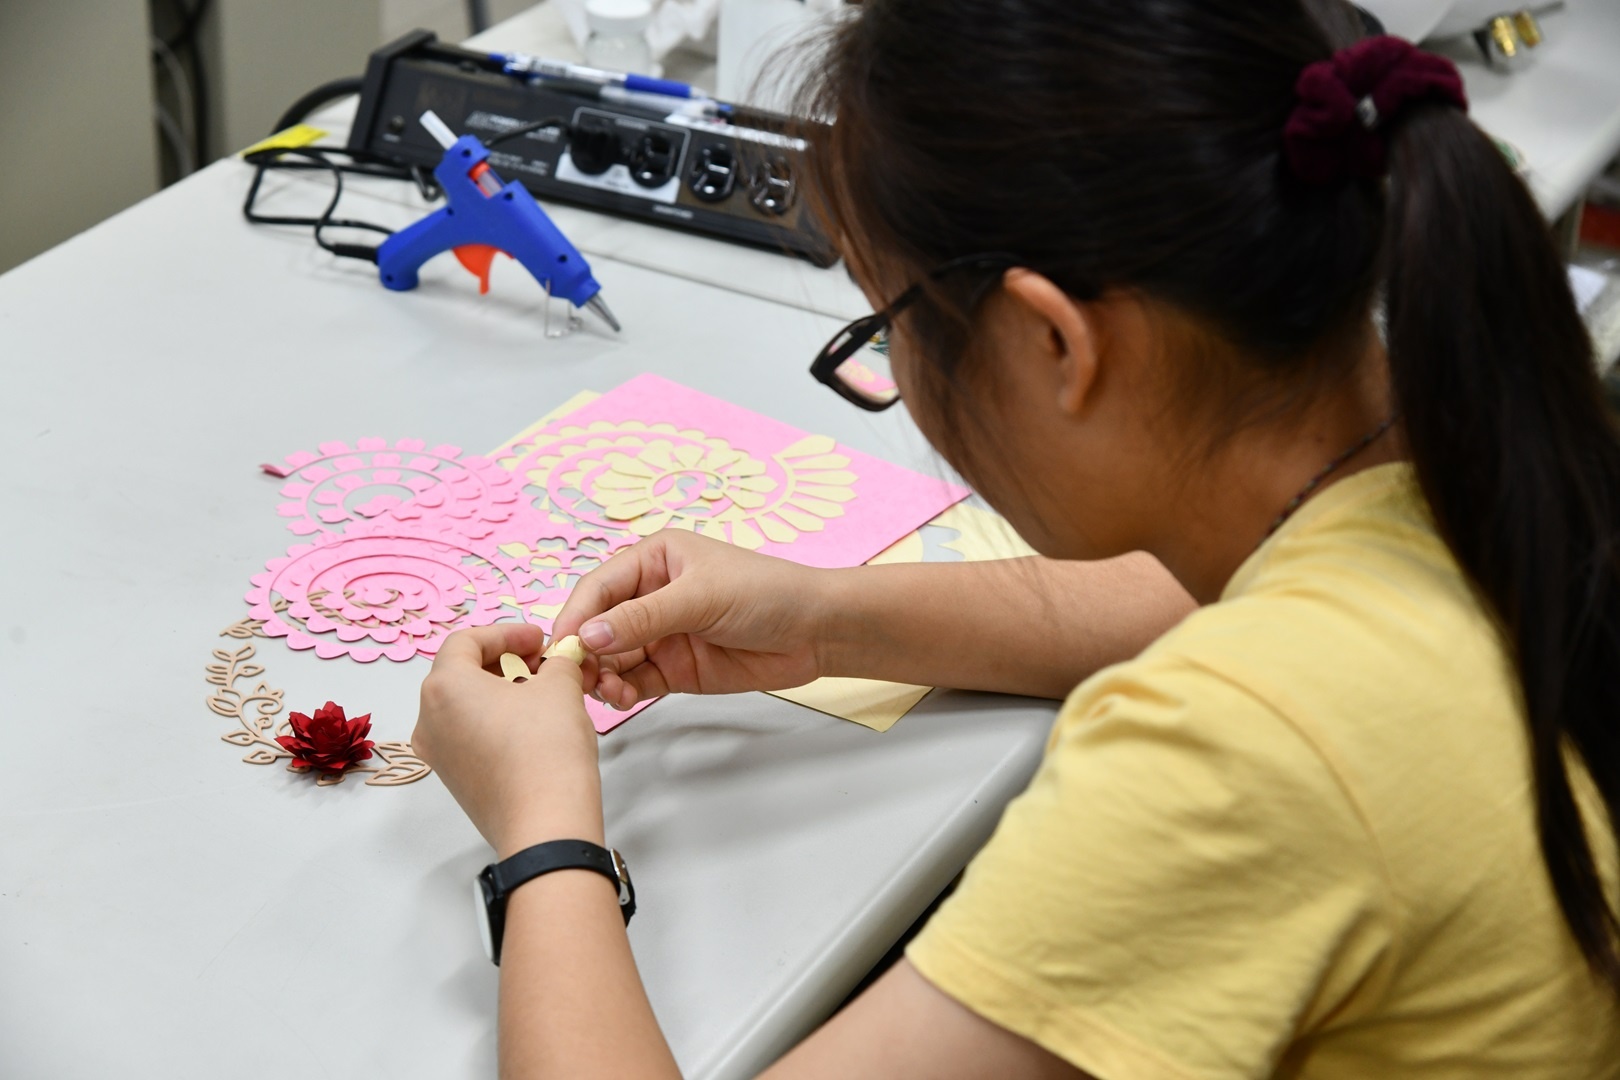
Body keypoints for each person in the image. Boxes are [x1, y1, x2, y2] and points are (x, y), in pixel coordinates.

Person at [410, 0, 1620, 1075]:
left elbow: (1240, 697)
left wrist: (544, 829)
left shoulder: (1240, 752)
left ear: (1054, 342)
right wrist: (828, 616)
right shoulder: (1474, 440)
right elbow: (1179, 608)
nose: (901, 377)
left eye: (888, 331)